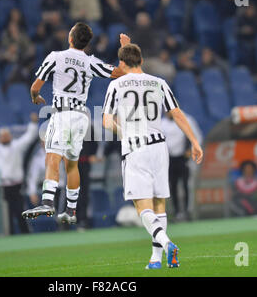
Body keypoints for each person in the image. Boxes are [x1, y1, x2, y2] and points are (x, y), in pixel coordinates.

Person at [102, 44, 203, 269]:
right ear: (141, 61)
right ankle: (156, 260)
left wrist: (123, 131)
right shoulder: (159, 83)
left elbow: (107, 121)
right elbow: (176, 113)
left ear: (122, 63)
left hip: (136, 148)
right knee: (160, 204)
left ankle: (167, 245)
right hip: (159, 148)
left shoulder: (116, 85)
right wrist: (194, 141)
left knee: (143, 208)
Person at [21, 22, 129, 224]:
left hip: (61, 114)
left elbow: (36, 86)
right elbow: (120, 72)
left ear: (70, 37)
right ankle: (71, 210)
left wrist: (35, 97)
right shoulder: (90, 62)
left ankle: (47, 203)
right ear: (87, 43)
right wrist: (123, 48)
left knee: (52, 159)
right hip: (81, 117)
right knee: (72, 164)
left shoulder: (56, 57)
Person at [162, 111, 202, 220]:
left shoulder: (187, 120)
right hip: (170, 160)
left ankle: (188, 211)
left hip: (184, 159)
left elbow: (196, 136)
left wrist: (191, 149)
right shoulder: (162, 123)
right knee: (172, 186)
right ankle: (176, 212)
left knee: (186, 185)